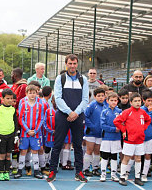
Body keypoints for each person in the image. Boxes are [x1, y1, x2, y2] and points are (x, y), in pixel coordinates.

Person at [47, 54, 89, 183]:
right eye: (70, 63)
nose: (72, 66)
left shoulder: (83, 79)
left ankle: (79, 172)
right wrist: (69, 112)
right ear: (66, 64)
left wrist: (75, 112)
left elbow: (85, 99)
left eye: (74, 63)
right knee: (58, 143)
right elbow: (58, 98)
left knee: (77, 145)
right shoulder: (61, 78)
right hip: (62, 115)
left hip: (78, 115)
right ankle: (52, 171)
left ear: (77, 64)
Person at [113, 92, 151, 186]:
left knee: (138, 158)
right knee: (126, 158)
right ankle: (122, 177)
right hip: (130, 140)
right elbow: (116, 121)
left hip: (140, 140)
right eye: (135, 101)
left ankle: (137, 178)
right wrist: (124, 130)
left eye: (139, 101)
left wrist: (143, 128)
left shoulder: (143, 112)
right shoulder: (127, 112)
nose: (138, 103)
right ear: (131, 102)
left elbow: (148, 120)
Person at [16, 85, 45, 179]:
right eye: (30, 93)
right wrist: (28, 130)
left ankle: (36, 171)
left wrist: (35, 130)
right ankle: (19, 170)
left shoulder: (40, 105)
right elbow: (21, 119)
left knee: (35, 151)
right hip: (25, 133)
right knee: (23, 151)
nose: (32, 95)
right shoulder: (23, 105)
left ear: (37, 93)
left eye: (34, 93)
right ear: (26, 94)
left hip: (35, 133)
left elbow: (41, 119)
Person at [0, 88, 19, 181]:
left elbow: (16, 122)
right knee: (2, 155)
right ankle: (1, 172)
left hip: (11, 135)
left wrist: (16, 134)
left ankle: (7, 172)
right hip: (1, 135)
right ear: (2, 98)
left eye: (11, 98)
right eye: (7, 98)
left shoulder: (13, 109)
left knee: (8, 155)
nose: (10, 100)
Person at [83, 88, 106, 177]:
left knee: (97, 151)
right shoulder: (92, 105)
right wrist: (92, 126)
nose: (101, 98)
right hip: (91, 133)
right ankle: (86, 169)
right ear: (95, 96)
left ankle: (95, 168)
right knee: (89, 150)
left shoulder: (105, 106)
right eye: (98, 96)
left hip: (100, 133)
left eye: (102, 96)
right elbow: (85, 116)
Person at [99, 92, 122, 182]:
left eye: (115, 100)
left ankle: (113, 174)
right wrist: (113, 129)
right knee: (105, 156)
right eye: (111, 100)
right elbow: (103, 125)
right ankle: (103, 173)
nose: (113, 102)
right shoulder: (104, 112)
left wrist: (119, 128)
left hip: (116, 138)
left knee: (114, 156)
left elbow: (122, 123)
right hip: (107, 137)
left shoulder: (119, 111)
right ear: (107, 101)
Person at [140, 90, 152, 182]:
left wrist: (151, 112)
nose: (150, 103)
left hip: (150, 137)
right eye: (148, 101)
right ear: (144, 100)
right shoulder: (140, 110)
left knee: (148, 155)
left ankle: (144, 173)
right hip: (140, 137)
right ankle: (137, 172)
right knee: (138, 156)